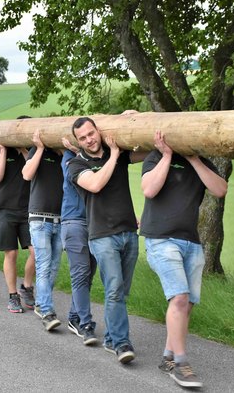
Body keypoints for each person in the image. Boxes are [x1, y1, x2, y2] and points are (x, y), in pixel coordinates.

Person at [140, 131, 227, 388]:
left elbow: (220, 189)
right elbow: (149, 189)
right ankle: (181, 364)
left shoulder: (201, 161)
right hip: (161, 239)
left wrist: (195, 160)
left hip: (191, 241)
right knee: (178, 298)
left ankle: (168, 356)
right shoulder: (155, 156)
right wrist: (167, 155)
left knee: (186, 304)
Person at [67, 115, 145, 364]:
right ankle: (122, 343)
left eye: (91, 133)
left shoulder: (119, 155)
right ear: (78, 142)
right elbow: (96, 184)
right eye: (83, 138)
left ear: (98, 131)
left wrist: (130, 117)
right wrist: (113, 155)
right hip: (102, 236)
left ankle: (111, 339)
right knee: (113, 290)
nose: (89, 140)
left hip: (129, 231)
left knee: (122, 291)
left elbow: (146, 152)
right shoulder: (75, 165)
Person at [22, 130, 64, 331]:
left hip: (60, 219)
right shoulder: (38, 151)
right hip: (39, 218)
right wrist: (38, 148)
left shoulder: (64, 155)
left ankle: (41, 303)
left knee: (54, 267)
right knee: (44, 265)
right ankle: (47, 311)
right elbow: (27, 174)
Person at [0, 135, 35, 313]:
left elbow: (32, 172)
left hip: (27, 209)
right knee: (11, 253)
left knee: (36, 251)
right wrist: (2, 150)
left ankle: (26, 287)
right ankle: (12, 295)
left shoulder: (31, 152)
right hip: (3, 208)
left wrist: (25, 150)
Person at [60, 137, 98, 345]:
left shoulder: (96, 158)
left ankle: (75, 317)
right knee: (81, 273)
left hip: (96, 221)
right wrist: (76, 150)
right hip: (74, 220)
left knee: (89, 273)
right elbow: (81, 182)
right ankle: (86, 323)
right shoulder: (69, 158)